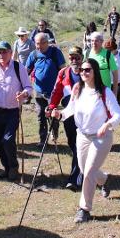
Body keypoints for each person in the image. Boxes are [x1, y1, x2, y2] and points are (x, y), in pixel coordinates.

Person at [52, 58, 120, 223]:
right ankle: (105, 180)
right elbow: (70, 109)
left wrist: (107, 124)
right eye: (82, 70)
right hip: (82, 135)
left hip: (101, 137)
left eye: (87, 70)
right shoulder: (78, 89)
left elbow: (119, 114)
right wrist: (60, 115)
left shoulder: (104, 92)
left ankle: (84, 209)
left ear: (95, 72)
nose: (83, 72)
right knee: (85, 170)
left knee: (89, 172)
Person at [0, 41, 32, 181]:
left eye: (4, 51)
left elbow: (28, 87)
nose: (2, 54)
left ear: (10, 53)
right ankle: (7, 167)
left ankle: (14, 167)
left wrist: (24, 94)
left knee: (8, 140)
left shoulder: (18, 67)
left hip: (13, 111)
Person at [47, 46, 84, 191]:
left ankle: (75, 178)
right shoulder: (63, 73)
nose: (74, 60)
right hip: (68, 114)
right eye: (71, 58)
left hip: (85, 115)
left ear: (82, 58)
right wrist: (51, 106)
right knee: (72, 143)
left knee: (78, 145)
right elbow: (56, 92)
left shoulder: (87, 72)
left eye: (77, 57)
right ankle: (83, 170)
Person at [25, 32, 66, 146]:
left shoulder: (55, 52)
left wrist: (63, 87)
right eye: (36, 44)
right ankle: (43, 140)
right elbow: (26, 71)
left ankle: (54, 135)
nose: (38, 46)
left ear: (46, 42)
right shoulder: (34, 54)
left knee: (53, 115)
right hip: (38, 91)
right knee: (40, 116)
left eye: (40, 44)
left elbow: (63, 70)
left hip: (53, 92)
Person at [85, 31, 118, 96]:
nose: (93, 43)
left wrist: (114, 92)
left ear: (102, 41)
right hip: (90, 91)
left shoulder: (108, 54)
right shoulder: (86, 53)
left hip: (105, 91)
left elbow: (115, 74)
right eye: (92, 41)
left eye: (96, 41)